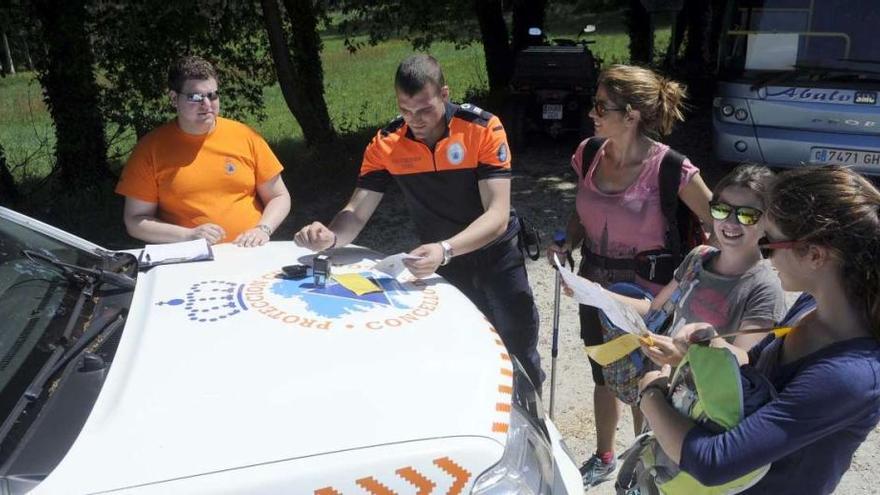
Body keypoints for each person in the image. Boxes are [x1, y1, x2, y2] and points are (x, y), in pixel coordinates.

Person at [293, 54, 543, 387]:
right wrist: (331, 237)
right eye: (405, 110)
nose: (416, 120)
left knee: (519, 349)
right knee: (462, 348)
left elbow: (496, 215)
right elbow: (356, 212)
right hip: (444, 263)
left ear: (444, 94)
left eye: (425, 109)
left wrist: (445, 249)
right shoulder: (387, 143)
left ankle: (534, 424)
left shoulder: (482, 128)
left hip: (496, 255)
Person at [637, 165, 880, 494]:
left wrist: (650, 394)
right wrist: (703, 350)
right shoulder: (811, 305)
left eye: (771, 243)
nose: (764, 254)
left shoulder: (850, 375)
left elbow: (714, 463)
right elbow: (755, 372)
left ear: (814, 255)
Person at [546, 64, 713, 487]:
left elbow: (721, 222)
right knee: (602, 372)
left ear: (632, 114)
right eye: (594, 104)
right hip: (592, 287)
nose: (592, 113)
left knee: (648, 381)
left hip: (648, 298)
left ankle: (648, 461)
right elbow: (582, 210)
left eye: (602, 106)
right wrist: (566, 241)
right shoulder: (588, 154)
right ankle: (604, 455)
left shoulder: (672, 168)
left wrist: (706, 275)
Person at [612, 164, 786, 366]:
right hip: (662, 384)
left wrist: (687, 357)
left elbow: (745, 362)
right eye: (722, 210)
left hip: (702, 394)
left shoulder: (765, 288)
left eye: (746, 214)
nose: (730, 222)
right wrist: (594, 293)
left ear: (769, 222)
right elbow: (654, 309)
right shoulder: (699, 257)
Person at [116, 55, 291, 247]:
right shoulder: (150, 149)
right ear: (174, 99)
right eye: (195, 97)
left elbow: (279, 196)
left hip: (249, 251)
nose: (206, 105)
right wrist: (188, 236)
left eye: (212, 95)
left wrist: (262, 229)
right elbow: (135, 220)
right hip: (188, 257)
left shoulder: (245, 136)